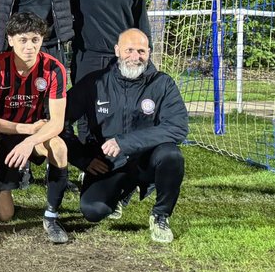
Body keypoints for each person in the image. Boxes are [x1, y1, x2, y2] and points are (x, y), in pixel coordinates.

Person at [65, 28, 188, 243]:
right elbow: (59, 122)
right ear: (116, 51)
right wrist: (83, 159)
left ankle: (161, 215)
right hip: (109, 162)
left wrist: (125, 142)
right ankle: (123, 191)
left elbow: (177, 127)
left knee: (172, 156)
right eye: (129, 50)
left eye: (141, 51)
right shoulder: (95, 83)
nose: (135, 56)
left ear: (149, 52)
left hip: (147, 159)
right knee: (93, 211)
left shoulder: (163, 83)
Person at [0, 13, 71, 244]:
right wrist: (26, 131)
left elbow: (57, 122)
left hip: (33, 135)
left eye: (35, 39)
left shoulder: (54, 69)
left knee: (59, 147)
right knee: (5, 215)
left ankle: (51, 217)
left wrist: (30, 141)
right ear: (10, 40)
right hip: (1, 136)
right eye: (23, 40)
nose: (30, 46)